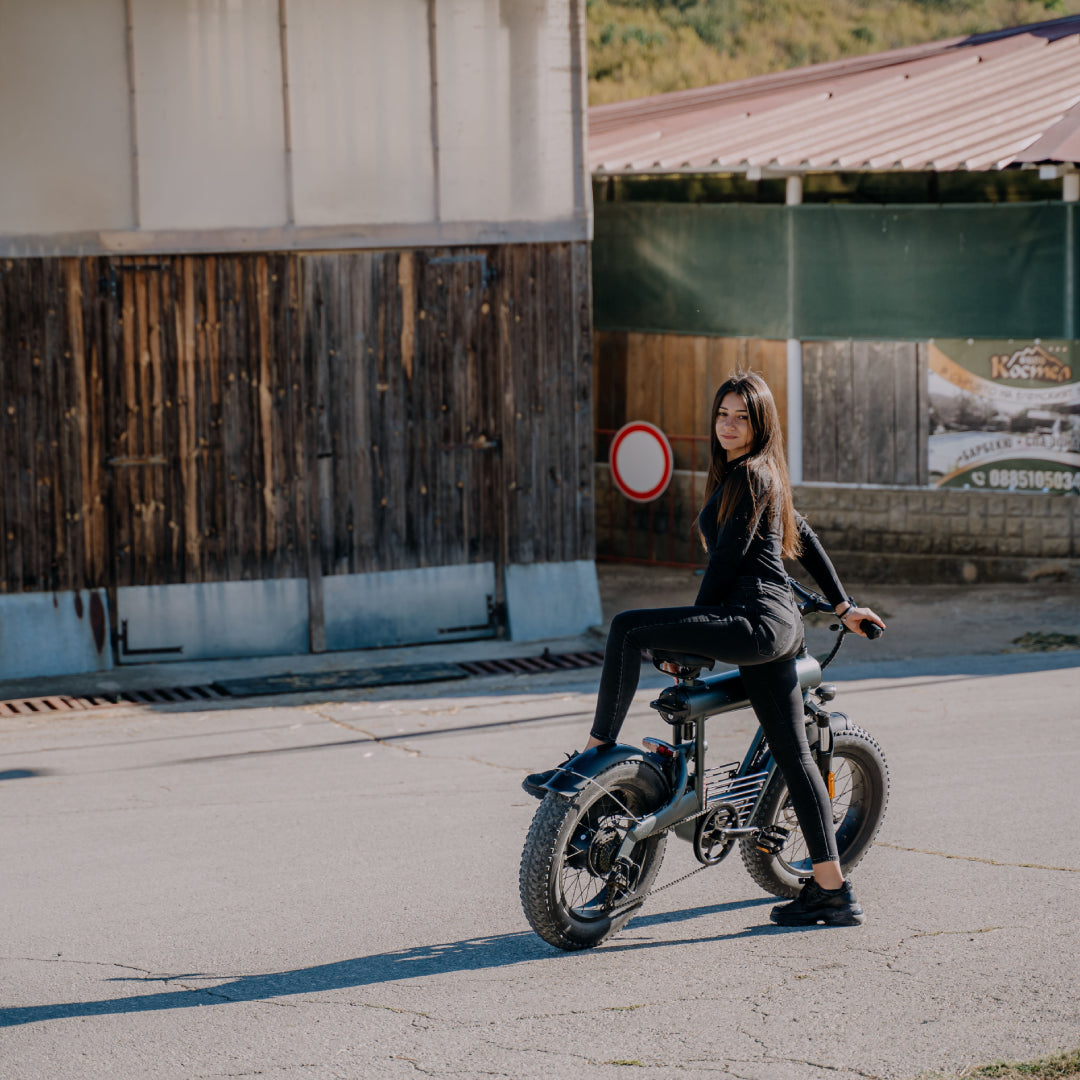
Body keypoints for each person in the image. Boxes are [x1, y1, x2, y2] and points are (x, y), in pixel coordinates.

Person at [523, 372, 886, 927]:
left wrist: (690, 638)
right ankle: (832, 891)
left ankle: (594, 757)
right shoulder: (765, 476)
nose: (729, 425)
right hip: (780, 629)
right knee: (793, 755)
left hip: (752, 621)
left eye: (742, 416)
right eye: (723, 415)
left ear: (760, 424)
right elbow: (803, 538)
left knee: (626, 628)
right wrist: (843, 608)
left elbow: (725, 565)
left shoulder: (749, 474)